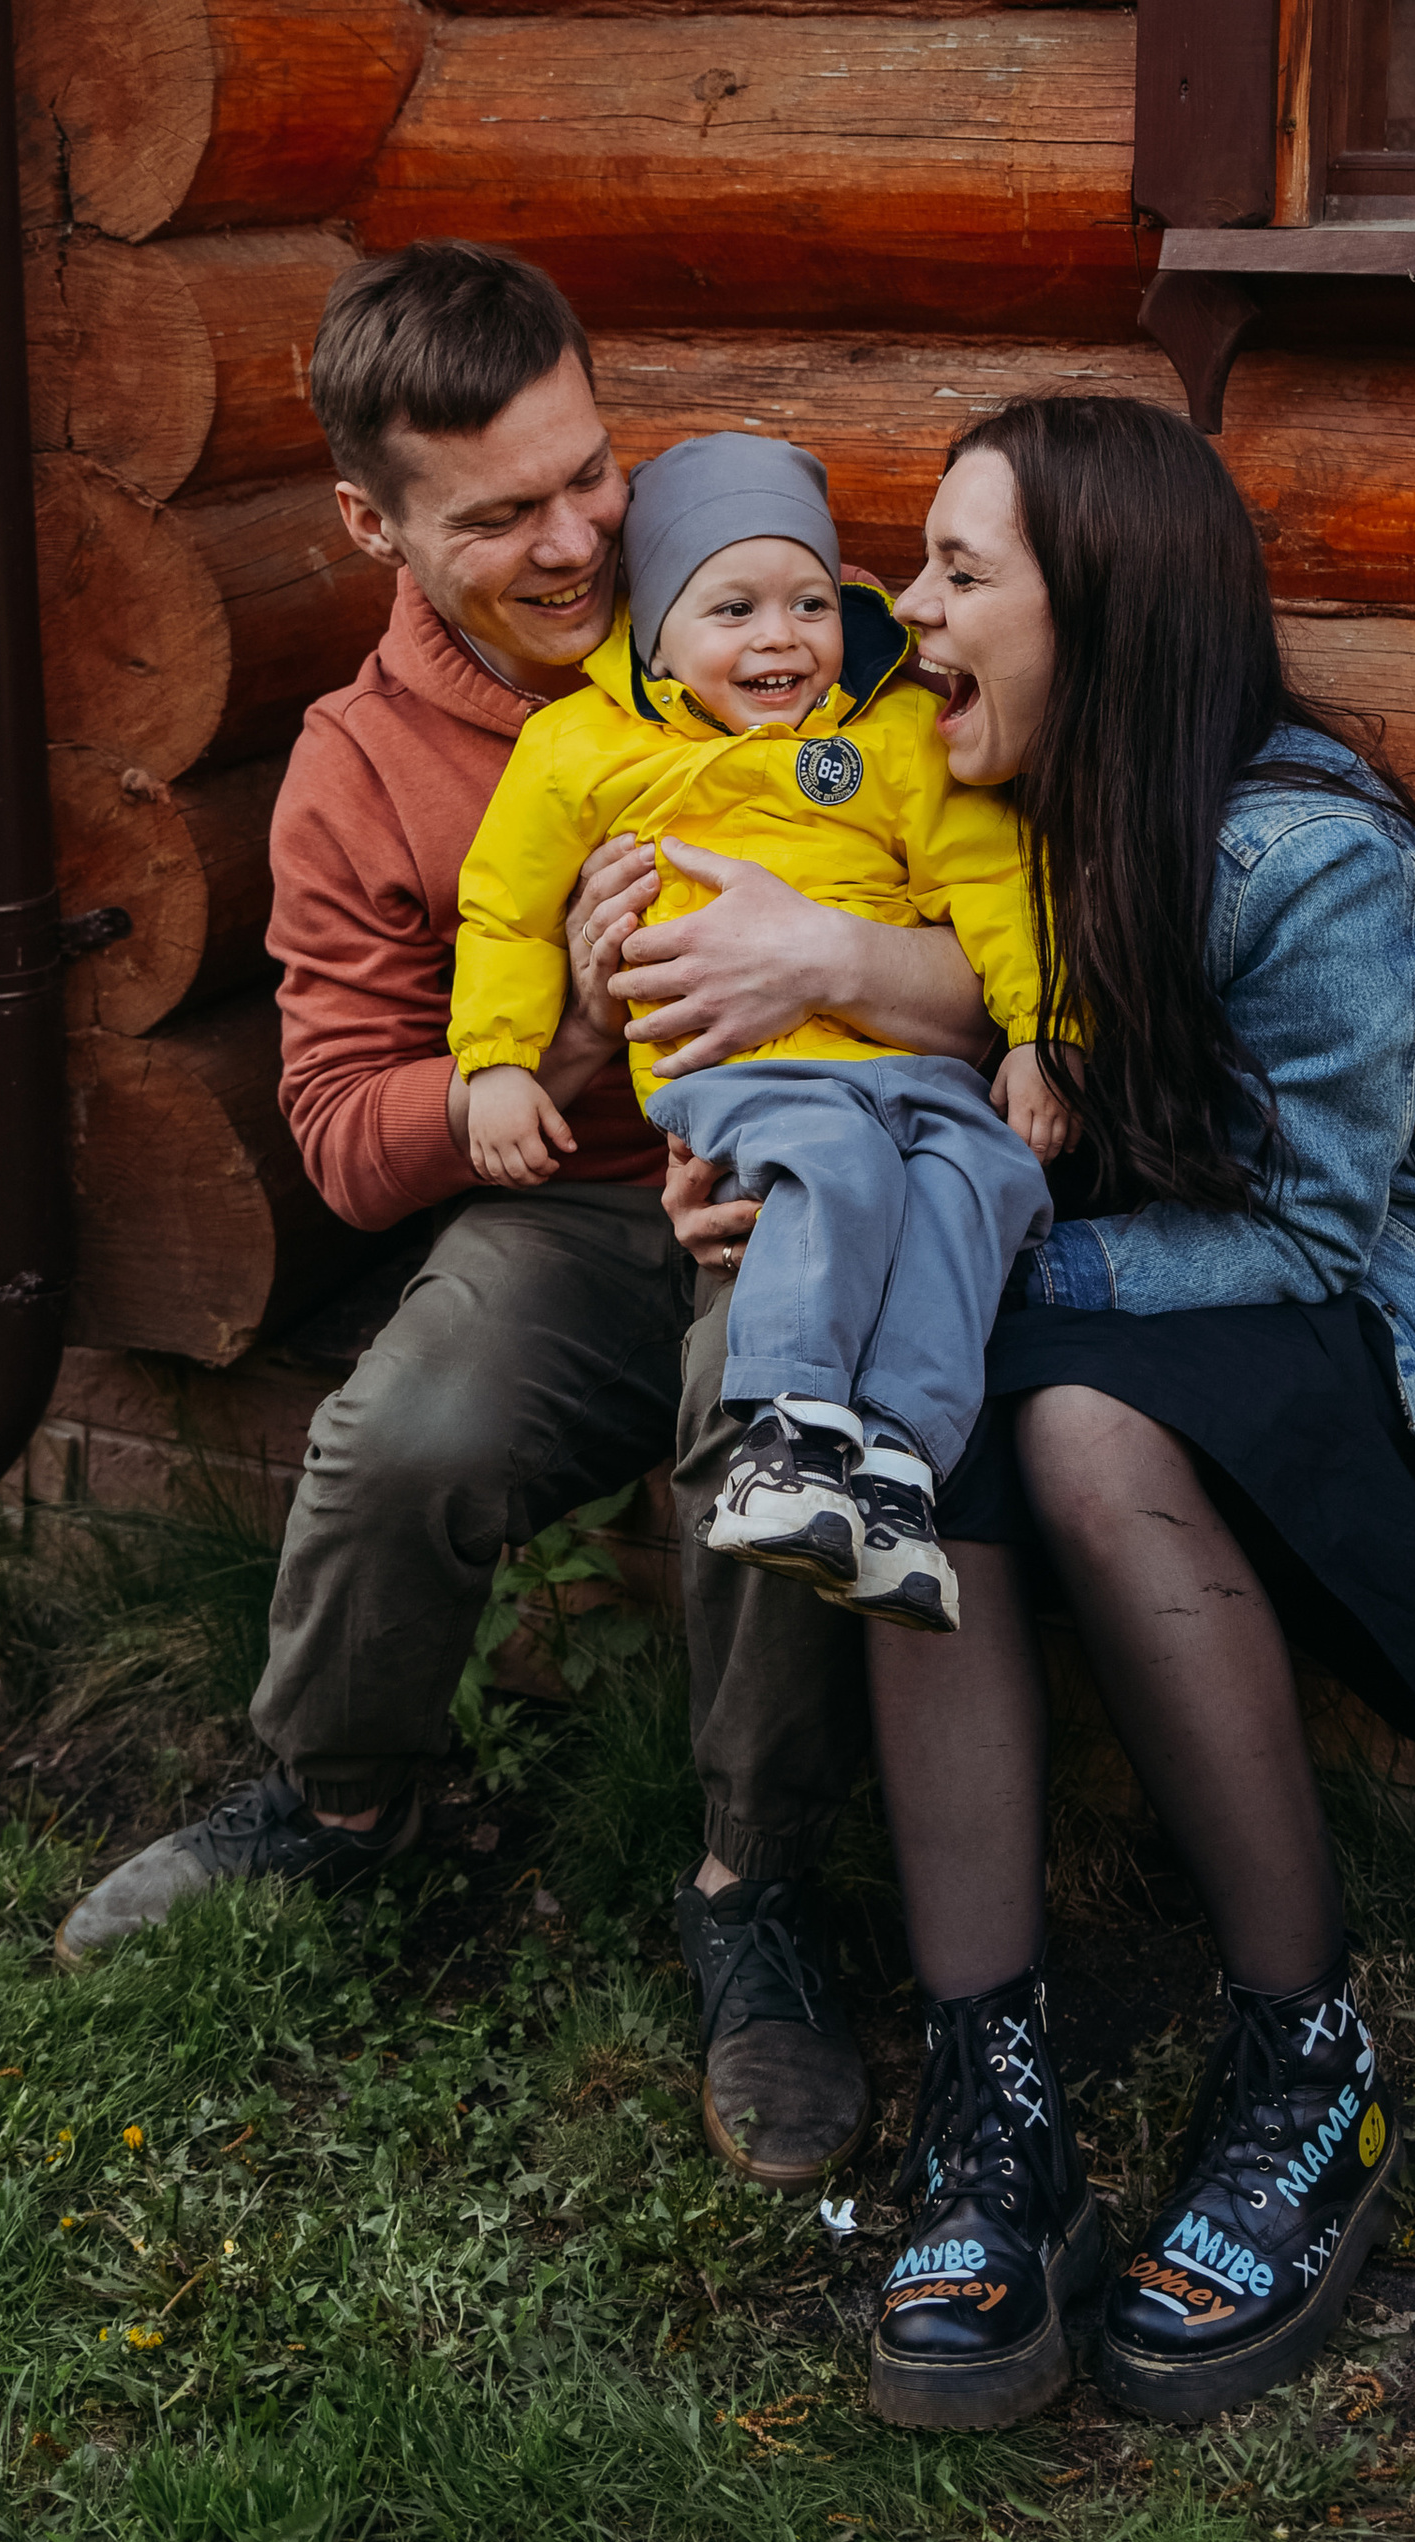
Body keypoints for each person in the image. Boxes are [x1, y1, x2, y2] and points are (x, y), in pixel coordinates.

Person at [54, 244, 991, 2197]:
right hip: (558, 1220)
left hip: (801, 1175)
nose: (577, 542)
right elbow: (341, 1140)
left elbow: (983, 900)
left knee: (768, 1408)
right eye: (499, 515)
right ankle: (346, 1799)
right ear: (367, 524)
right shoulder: (358, 771)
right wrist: (562, 1046)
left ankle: (750, 1886)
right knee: (406, 1431)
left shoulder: (792, 636)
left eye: (589, 475)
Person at [849, 394, 1415, 2433]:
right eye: (917, 560)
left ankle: (1308, 2068)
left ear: (1104, 613)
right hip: (1161, 1295)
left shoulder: (1299, 860)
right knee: (919, 1416)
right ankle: (993, 2105)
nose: (907, 604)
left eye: (962, 571)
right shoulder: (993, 810)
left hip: (1406, 1357)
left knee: (1059, 1423)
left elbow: (1304, 1239)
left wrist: (1003, 1276)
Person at [449, 431, 1060, 1638]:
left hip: (912, 1074)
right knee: (836, 1169)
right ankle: (788, 1438)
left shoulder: (892, 737)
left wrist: (1043, 1031)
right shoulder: (584, 749)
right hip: (745, 1072)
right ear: (654, 631)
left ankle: (891, 1468)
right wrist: (498, 1062)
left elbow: (994, 884)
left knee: (981, 1188)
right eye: (732, 608)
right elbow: (504, 911)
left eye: (809, 604)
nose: (780, 637)